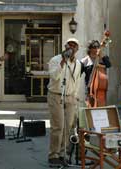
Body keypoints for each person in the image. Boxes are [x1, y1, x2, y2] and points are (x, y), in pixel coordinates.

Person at [47, 38, 82, 167]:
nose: (72, 48)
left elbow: (76, 81)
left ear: (77, 49)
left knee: (68, 128)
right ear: (65, 46)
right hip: (56, 95)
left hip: (70, 97)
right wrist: (63, 62)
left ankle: (63, 155)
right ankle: (53, 155)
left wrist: (76, 97)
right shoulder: (55, 60)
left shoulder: (78, 63)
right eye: (70, 45)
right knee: (58, 126)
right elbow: (54, 77)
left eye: (75, 46)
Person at [81, 40, 111, 106]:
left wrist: (101, 56)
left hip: (99, 89)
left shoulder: (103, 58)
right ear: (90, 49)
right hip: (89, 88)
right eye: (94, 47)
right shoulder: (85, 61)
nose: (96, 49)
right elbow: (78, 73)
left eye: (97, 47)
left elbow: (109, 65)